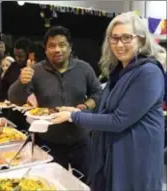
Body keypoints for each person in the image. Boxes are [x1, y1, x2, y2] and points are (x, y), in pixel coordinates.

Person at [51, 12, 165, 191]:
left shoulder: (149, 73)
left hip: (135, 156)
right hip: (114, 151)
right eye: (115, 38)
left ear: (141, 40)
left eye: (127, 38)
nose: (119, 44)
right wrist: (76, 111)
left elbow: (118, 120)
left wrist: (74, 116)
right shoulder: (119, 71)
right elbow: (103, 113)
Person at [8, 26, 102, 186]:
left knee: (88, 183)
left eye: (62, 44)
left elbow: (98, 94)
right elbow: (14, 99)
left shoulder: (84, 68)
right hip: (49, 142)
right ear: (45, 50)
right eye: (52, 45)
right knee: (52, 185)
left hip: (82, 140)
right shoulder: (36, 70)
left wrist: (85, 106)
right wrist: (20, 82)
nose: (57, 49)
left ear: (70, 47)